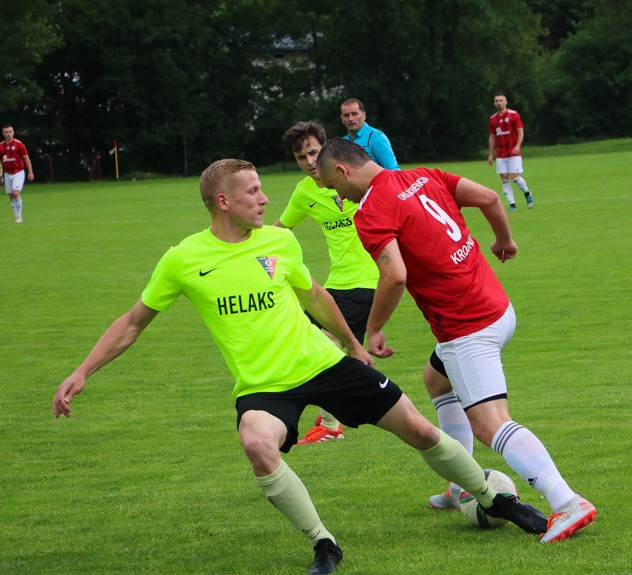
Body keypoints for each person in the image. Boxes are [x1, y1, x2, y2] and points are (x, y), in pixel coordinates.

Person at [53, 158, 550, 575]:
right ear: (223, 201)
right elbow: (133, 322)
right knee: (255, 442)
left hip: (323, 362)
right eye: (253, 191)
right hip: (264, 386)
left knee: (420, 430)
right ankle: (323, 544)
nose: (265, 198)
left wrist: (355, 347)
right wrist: (81, 371)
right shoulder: (184, 259)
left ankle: (493, 498)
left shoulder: (279, 242)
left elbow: (314, 295)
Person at [317, 139, 596, 544]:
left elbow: (395, 275)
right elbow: (487, 197)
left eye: (331, 185)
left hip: (467, 326)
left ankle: (567, 501)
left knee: (490, 425)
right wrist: (503, 239)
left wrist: (373, 328)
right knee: (436, 379)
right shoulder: (423, 175)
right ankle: (457, 486)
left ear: (343, 171)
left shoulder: (372, 210)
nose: (334, 194)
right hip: (498, 308)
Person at [274, 121, 380, 445]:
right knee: (310, 340)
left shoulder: (354, 175)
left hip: (367, 280)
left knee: (324, 345)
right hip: (335, 283)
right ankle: (335, 417)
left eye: (313, 153)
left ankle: (337, 420)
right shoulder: (304, 192)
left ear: (327, 149)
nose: (308, 162)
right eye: (300, 157)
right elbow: (280, 229)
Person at [488, 93, 534, 211]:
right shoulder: (493, 119)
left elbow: (520, 131)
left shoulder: (514, 115)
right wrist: (490, 154)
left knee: (515, 177)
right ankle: (512, 205)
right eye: (497, 100)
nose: (499, 102)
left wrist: (518, 145)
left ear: (506, 102)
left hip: (513, 152)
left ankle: (527, 193)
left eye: (501, 100)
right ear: (494, 103)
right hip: (500, 154)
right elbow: (492, 136)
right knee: (504, 178)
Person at [340, 99, 400, 170]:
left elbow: (392, 170)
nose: (350, 118)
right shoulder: (342, 142)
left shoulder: (376, 137)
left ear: (364, 115)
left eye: (354, 114)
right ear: (342, 119)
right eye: (346, 115)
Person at [1, 124, 34, 223]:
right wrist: (1, 175)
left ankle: (19, 217)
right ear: (3, 133)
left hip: (18, 172)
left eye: (10, 131)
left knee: (16, 193)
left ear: (13, 132)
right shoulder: (1, 146)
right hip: (7, 173)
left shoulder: (19, 144)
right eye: (6, 132)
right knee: (11, 195)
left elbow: (26, 158)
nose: (8, 134)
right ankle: (17, 217)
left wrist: (30, 172)